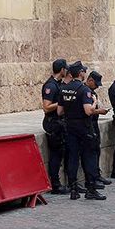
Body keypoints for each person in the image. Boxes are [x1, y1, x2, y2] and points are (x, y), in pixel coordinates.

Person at [59, 62, 107, 201]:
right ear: (81, 73)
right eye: (84, 71)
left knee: (73, 157)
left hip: (70, 126)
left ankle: (73, 189)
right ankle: (90, 189)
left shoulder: (64, 89)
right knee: (89, 157)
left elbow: (59, 111)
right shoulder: (84, 90)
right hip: (84, 127)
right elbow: (88, 111)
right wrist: (94, 103)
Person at [42, 59, 68, 194]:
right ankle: (55, 184)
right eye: (66, 69)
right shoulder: (51, 86)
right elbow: (46, 107)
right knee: (55, 155)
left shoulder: (57, 84)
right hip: (53, 123)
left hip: (58, 123)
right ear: (62, 69)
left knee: (59, 154)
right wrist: (61, 103)